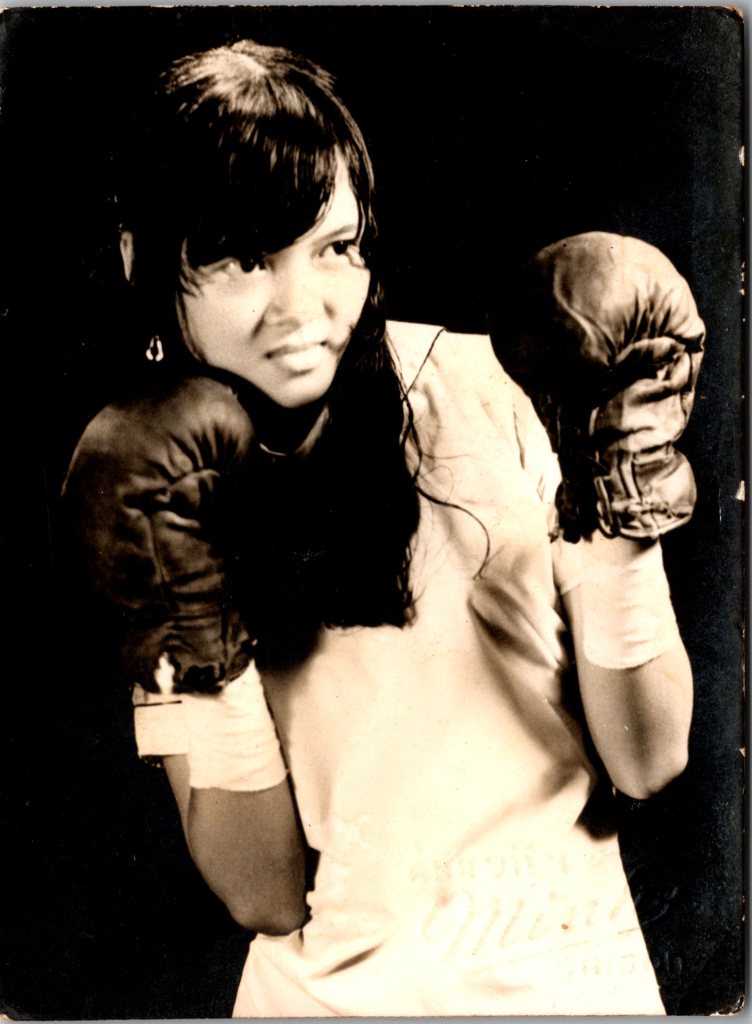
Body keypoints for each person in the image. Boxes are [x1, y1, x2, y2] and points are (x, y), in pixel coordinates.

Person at [62, 38, 704, 1016]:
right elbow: (263, 893)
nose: (300, 310)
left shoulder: (492, 391)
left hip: (570, 990)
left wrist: (618, 495)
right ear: (140, 257)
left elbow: (649, 757)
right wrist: (195, 634)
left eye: (330, 248)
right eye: (244, 257)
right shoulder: (158, 480)